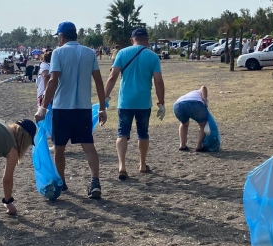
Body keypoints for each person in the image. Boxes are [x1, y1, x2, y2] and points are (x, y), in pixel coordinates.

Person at [35, 21, 107, 199]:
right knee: (88, 146)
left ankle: (62, 182)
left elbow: (53, 81)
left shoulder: (58, 53)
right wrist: (102, 107)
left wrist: (43, 107)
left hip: (62, 108)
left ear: (61, 36)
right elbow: (98, 81)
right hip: (83, 107)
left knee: (59, 148)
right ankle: (95, 181)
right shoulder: (89, 52)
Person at [104, 28, 165, 180]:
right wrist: (161, 102)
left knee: (122, 132)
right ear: (147, 40)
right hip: (144, 102)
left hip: (125, 101)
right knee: (143, 133)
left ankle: (122, 166)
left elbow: (112, 77)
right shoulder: (153, 56)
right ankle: (142, 164)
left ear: (132, 40)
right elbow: (158, 81)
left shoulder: (122, 53)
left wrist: (105, 97)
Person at [173, 86, 210, 152]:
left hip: (177, 105)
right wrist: (205, 99)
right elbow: (203, 87)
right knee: (202, 124)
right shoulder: (198, 91)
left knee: (184, 123)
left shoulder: (188, 94)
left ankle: (182, 145)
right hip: (194, 103)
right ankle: (199, 146)